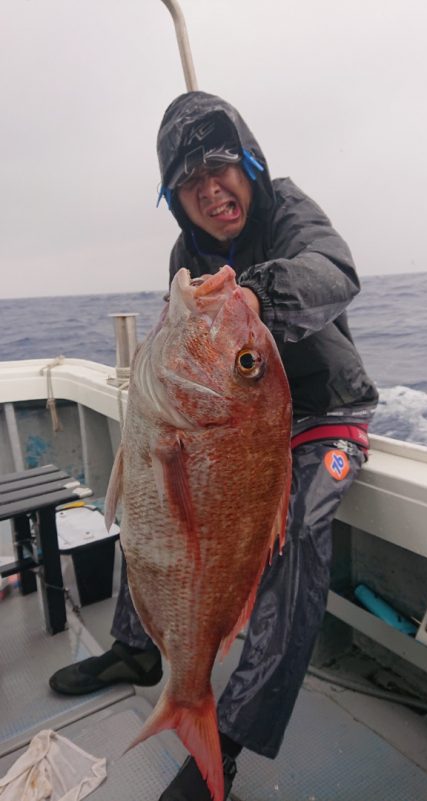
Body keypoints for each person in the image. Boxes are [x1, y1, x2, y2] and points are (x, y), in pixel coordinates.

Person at [50, 91, 378, 800]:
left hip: (323, 413)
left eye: (220, 168)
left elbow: (335, 270)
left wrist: (255, 296)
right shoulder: (187, 250)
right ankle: (138, 649)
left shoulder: (288, 209)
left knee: (297, 535)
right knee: (153, 499)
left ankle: (221, 739)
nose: (210, 190)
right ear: (175, 202)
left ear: (250, 166)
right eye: (188, 183)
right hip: (223, 421)